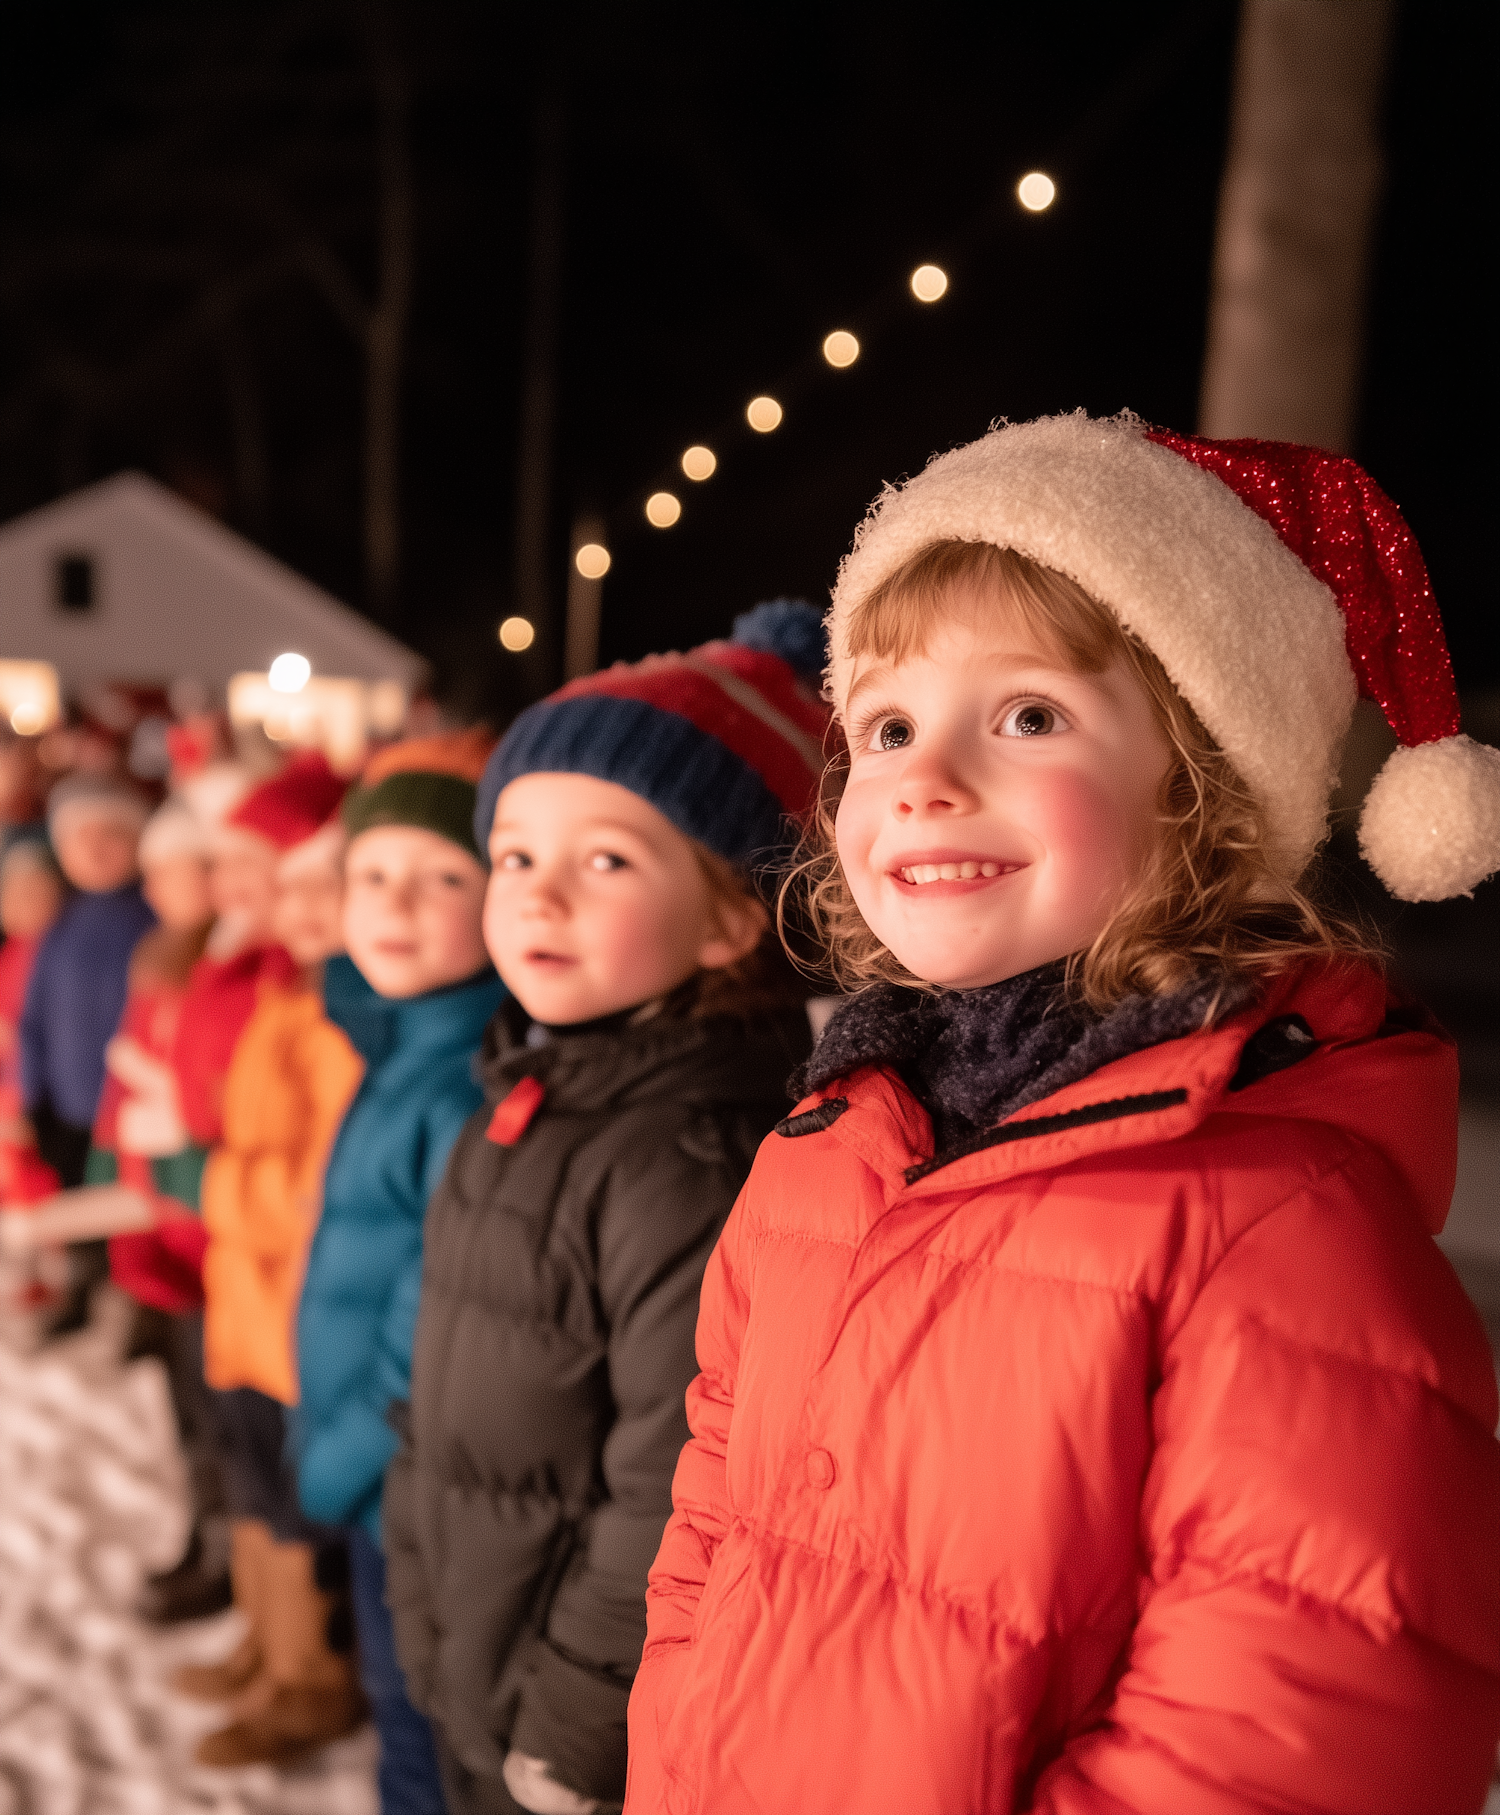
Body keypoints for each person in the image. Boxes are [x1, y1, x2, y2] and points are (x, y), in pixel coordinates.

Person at [622, 414, 1500, 1815]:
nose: (924, 774)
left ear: (1200, 792)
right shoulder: (826, 1145)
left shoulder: (1274, 1215)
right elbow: (713, 1526)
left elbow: (1308, 1721)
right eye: (889, 723)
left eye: (1030, 714)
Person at [382, 606, 828, 1815]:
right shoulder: (520, 1093)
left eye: (608, 860)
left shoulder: (688, 1162)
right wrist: (415, 1582)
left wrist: (579, 1712)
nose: (538, 897)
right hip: (470, 1650)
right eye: (517, 857)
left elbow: (673, 1478)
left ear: (734, 916)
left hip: (570, 1717)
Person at [296, 731, 505, 1815]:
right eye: (373, 875)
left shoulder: (462, 1079)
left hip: (401, 1481)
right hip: (373, 1469)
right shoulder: (397, 1044)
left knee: (422, 1741)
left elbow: (429, 1317)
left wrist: (337, 1453)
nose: (397, 904)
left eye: (442, 877)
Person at [177, 753, 367, 1768]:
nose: (289, 909)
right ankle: (266, 1644)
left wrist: (204, 1182)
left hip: (287, 1309)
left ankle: (307, 1675)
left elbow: (307, 1187)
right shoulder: (284, 997)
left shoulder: (335, 1021)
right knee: (252, 1487)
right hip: (248, 1305)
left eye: (307, 884)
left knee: (291, 1506)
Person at [18, 774, 155, 1333]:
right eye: (82, 838)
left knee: (132, 1214)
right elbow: (33, 1019)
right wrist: (29, 1094)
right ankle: (80, 1290)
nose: (96, 850)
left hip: (130, 1111)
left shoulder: (153, 922)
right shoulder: (60, 927)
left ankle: (141, 1308)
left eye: (112, 835)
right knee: (75, 1208)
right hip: (68, 1108)